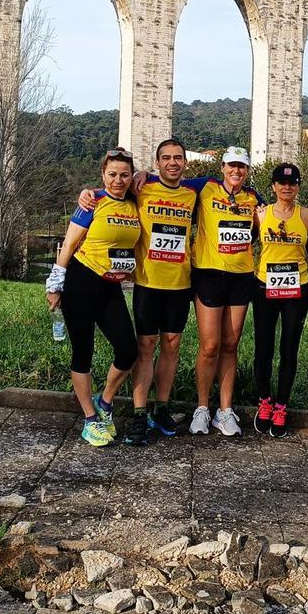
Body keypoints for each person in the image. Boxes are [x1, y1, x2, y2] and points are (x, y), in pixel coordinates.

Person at [78, 138, 198, 444]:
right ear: (156, 163)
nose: (173, 162)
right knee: (144, 349)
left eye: (178, 158)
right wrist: (86, 194)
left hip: (180, 284)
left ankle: (161, 408)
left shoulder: (194, 191)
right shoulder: (141, 188)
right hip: (147, 284)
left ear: (185, 163)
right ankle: (139, 414)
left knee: (171, 347)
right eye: (166, 157)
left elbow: (231, 188)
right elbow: (110, 190)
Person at [46, 149, 141, 447]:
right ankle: (89, 419)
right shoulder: (92, 201)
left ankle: (105, 401)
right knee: (83, 352)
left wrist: (144, 177)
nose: (118, 180)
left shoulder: (134, 202)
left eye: (124, 174)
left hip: (111, 287)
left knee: (128, 350)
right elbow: (69, 244)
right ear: (103, 175)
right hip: (81, 281)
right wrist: (55, 283)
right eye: (112, 174)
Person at [186, 146, 263, 435]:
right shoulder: (205, 187)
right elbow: (169, 182)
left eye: (241, 167)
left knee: (231, 344)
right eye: (231, 165)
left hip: (241, 276)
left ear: (247, 170)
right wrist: (142, 175)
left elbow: (266, 223)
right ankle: (202, 408)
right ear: (222, 167)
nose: (236, 171)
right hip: (208, 274)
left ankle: (225, 410)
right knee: (210, 346)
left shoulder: (254, 197)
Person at [251, 163, 308, 438]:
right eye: (281, 183)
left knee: (289, 349)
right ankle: (264, 401)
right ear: (274, 186)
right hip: (265, 284)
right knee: (263, 347)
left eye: (292, 183)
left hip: (297, 288)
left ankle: (282, 406)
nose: (287, 187)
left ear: (298, 186)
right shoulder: (261, 215)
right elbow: (248, 244)